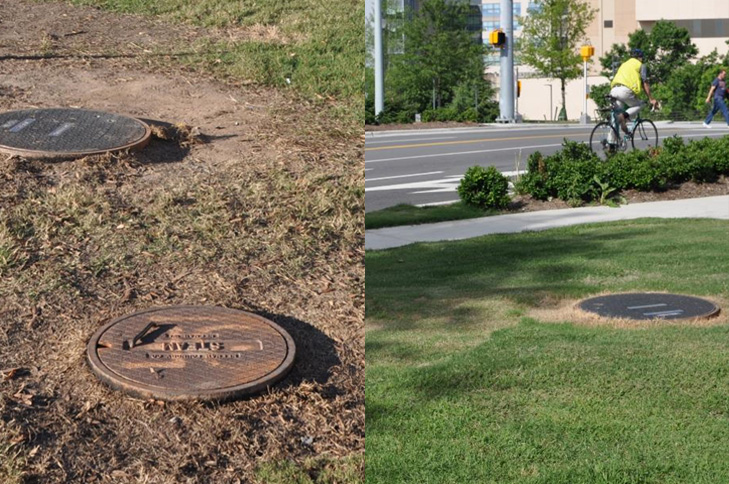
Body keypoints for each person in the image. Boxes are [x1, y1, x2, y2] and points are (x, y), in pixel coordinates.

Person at [609, 48, 658, 138]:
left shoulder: (624, 64)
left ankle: (611, 143)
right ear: (640, 58)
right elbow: (645, 82)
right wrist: (651, 99)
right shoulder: (641, 65)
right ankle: (623, 116)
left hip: (613, 90)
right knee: (641, 104)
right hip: (625, 91)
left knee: (615, 120)